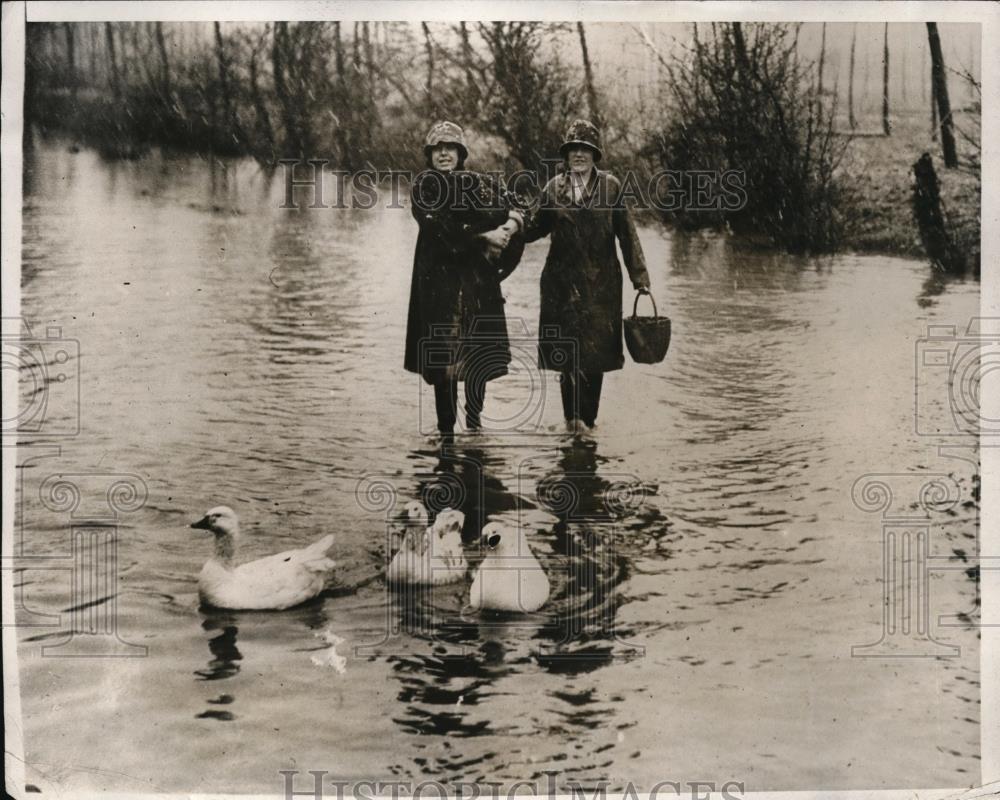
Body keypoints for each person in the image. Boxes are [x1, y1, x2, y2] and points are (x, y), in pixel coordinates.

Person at [526, 119, 652, 433]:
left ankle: (589, 422)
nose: (578, 155)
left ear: (595, 155)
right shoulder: (554, 188)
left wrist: (641, 279)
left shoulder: (610, 187)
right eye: (572, 150)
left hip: (602, 285)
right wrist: (505, 226)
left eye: (585, 150)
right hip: (561, 283)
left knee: (594, 357)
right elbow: (533, 227)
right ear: (565, 156)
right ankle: (572, 422)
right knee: (567, 357)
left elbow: (627, 234)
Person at [404, 120, 526, 439]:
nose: (444, 154)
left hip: (476, 282)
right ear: (429, 155)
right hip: (439, 284)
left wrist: (511, 222)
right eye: (438, 149)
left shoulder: (478, 183)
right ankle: (446, 432)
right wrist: (484, 235)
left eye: (451, 149)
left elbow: (512, 205)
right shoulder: (424, 186)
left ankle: (474, 426)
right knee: (442, 358)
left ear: (461, 154)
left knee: (477, 353)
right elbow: (439, 228)